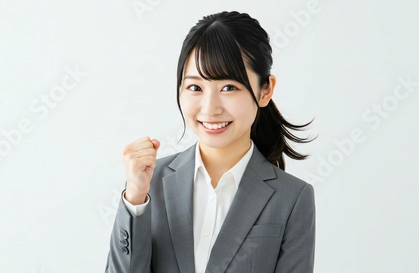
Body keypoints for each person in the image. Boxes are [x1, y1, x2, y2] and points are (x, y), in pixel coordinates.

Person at [105, 11, 315, 273]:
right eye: (195, 87)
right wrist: (135, 199)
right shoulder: (150, 183)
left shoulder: (292, 198)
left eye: (229, 87)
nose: (210, 108)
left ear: (265, 91)